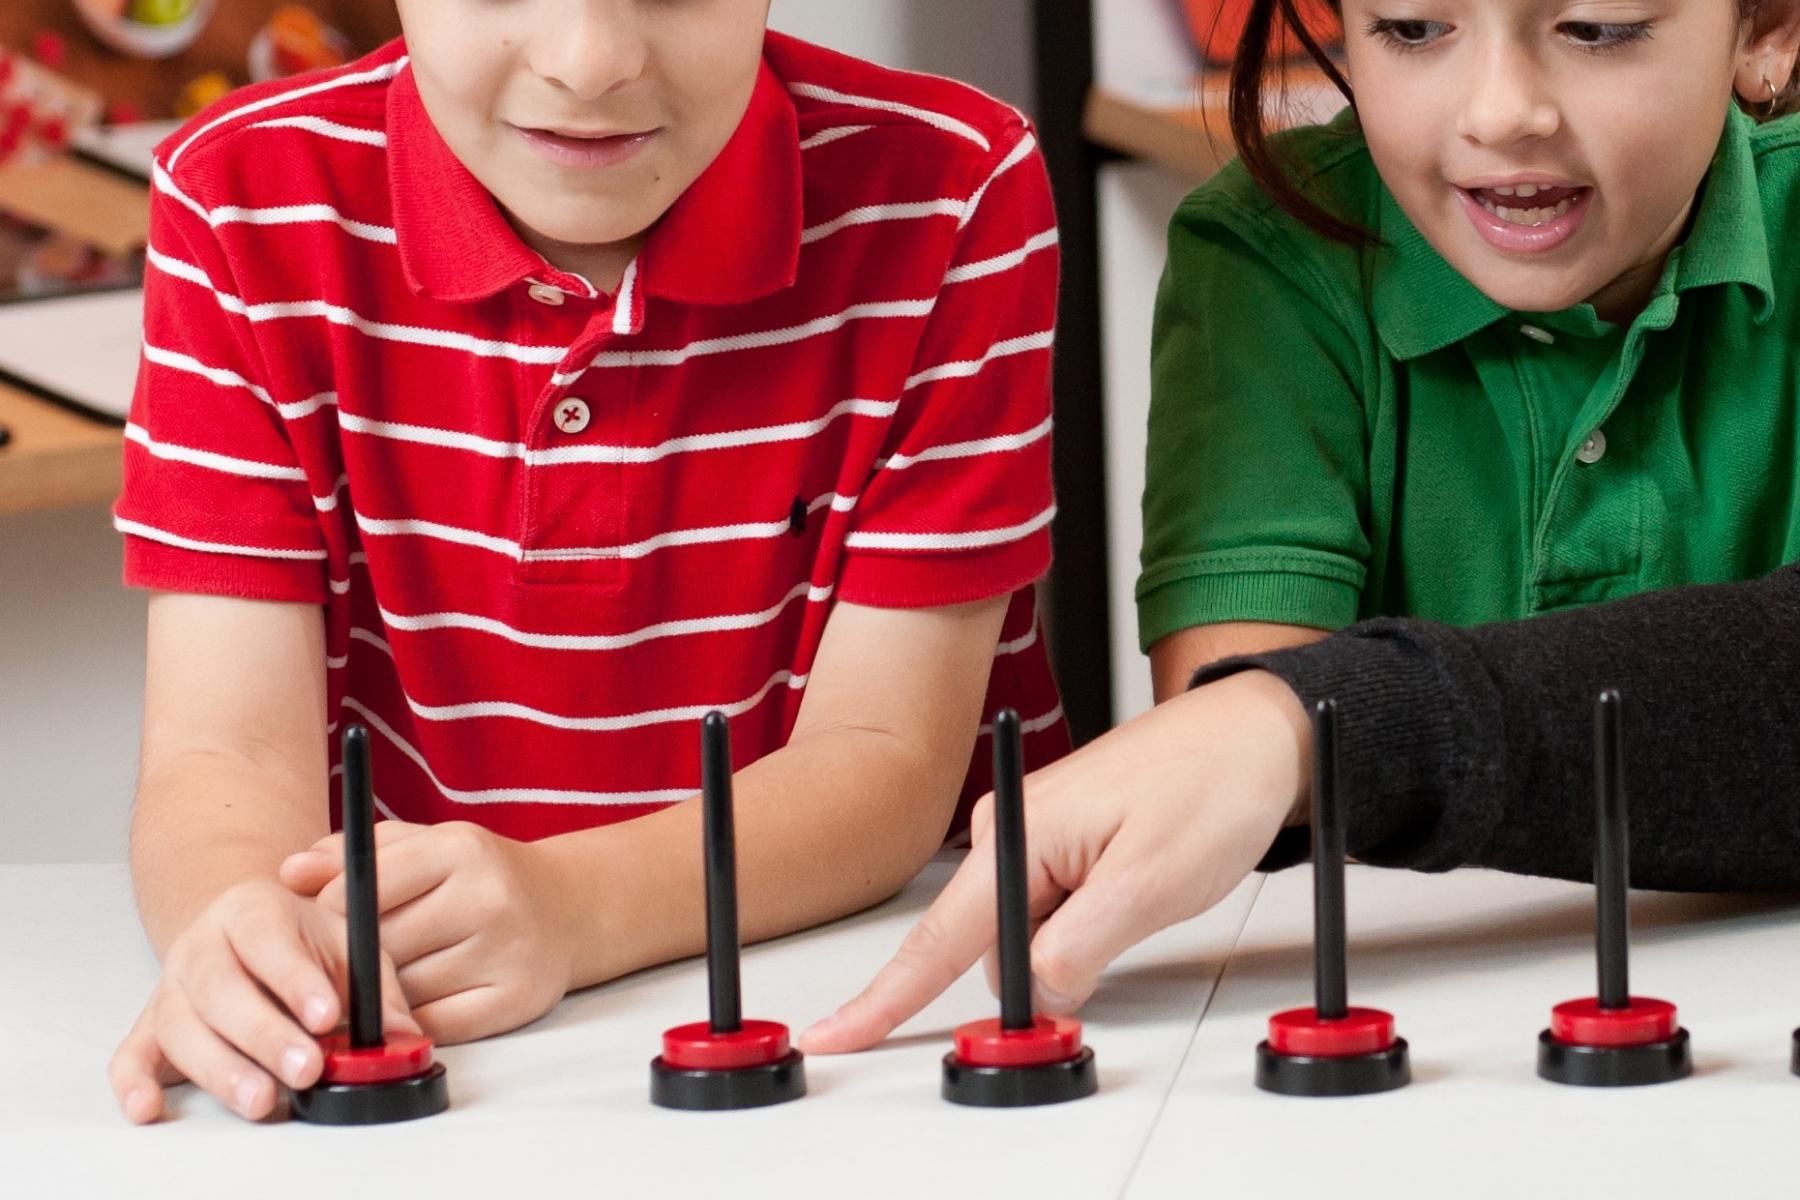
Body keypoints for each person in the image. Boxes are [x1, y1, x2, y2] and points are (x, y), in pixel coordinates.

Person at [107, 0, 1068, 1123]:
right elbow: (221, 754)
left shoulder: (955, 188)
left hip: (858, 1032)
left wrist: (571, 905)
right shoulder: (236, 197)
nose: (589, 62)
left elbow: (888, 761)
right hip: (437, 1046)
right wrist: (241, 933)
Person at [800, 0, 1800, 1056]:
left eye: (1597, 29)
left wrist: (1336, 721)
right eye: (1413, 29)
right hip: (1436, 1029)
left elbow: (1293, 733)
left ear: (1768, 31)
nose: (1503, 114)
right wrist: (1279, 731)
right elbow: (1241, 766)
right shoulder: (1269, 254)